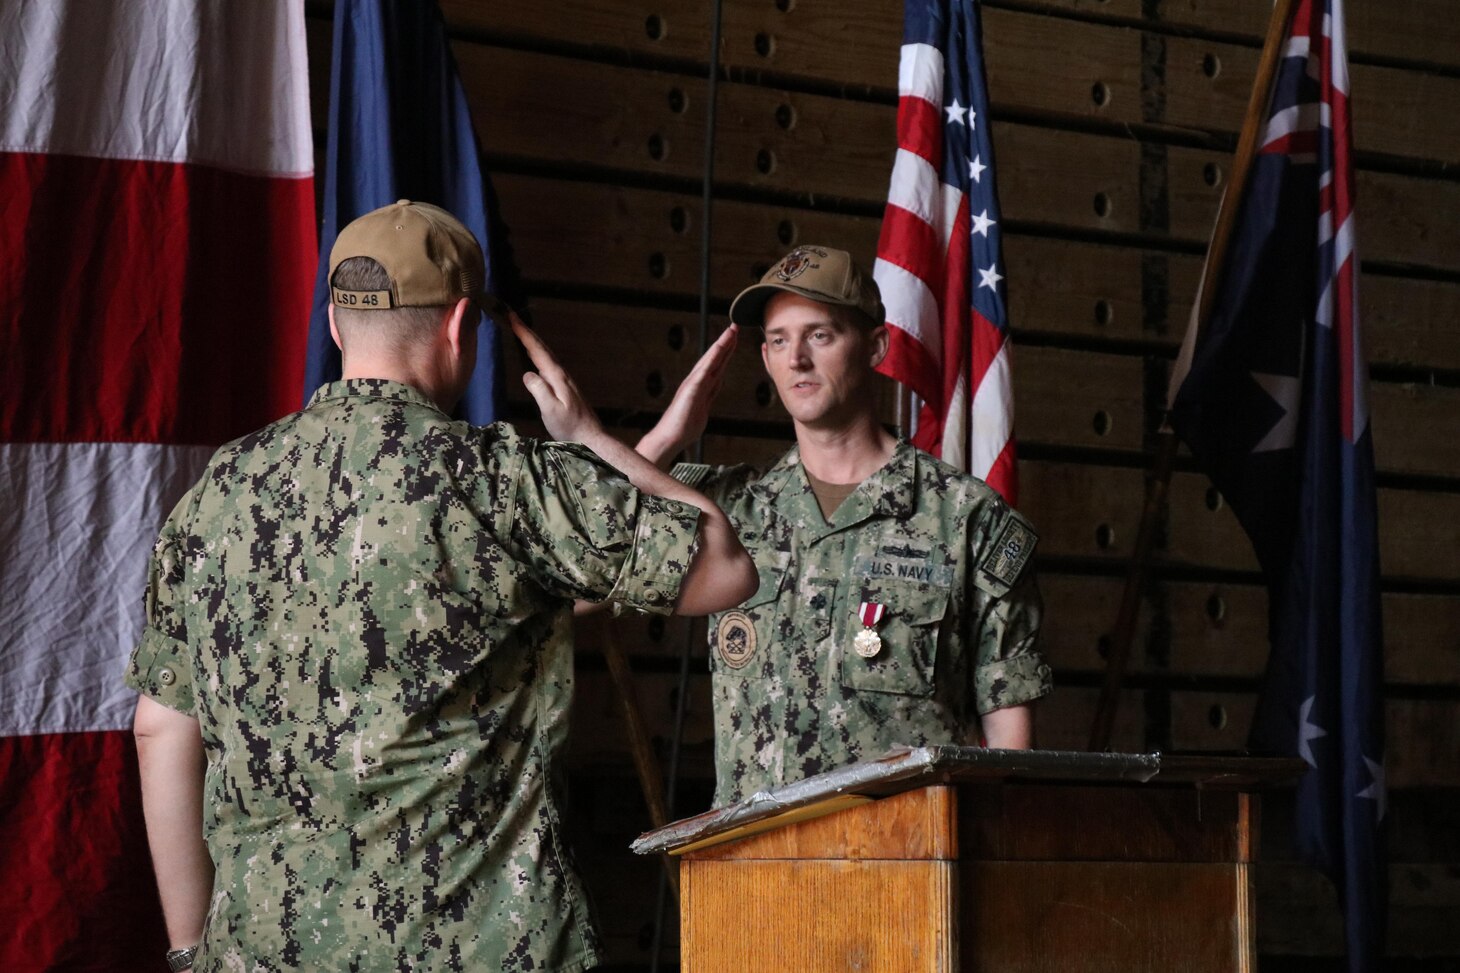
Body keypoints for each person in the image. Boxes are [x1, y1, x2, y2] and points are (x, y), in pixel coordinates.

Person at [127, 200, 757, 973]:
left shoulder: (217, 494)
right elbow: (725, 563)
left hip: (262, 953)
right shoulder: (496, 481)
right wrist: (589, 437)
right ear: (462, 327)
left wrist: (194, 950)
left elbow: (160, 728)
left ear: (334, 324)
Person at [636, 245, 1052, 807]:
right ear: (764, 358)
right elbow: (579, 570)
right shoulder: (729, 509)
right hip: (750, 876)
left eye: (820, 335)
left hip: (899, 873)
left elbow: (1010, 748)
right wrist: (668, 435)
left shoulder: (966, 519)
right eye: (779, 340)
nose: (797, 359)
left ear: (877, 347)